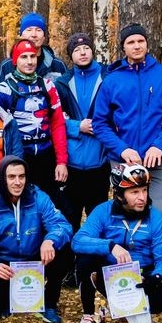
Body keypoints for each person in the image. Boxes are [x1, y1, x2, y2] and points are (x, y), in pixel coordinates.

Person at [92, 23, 162, 221]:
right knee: (127, 213)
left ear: (147, 44)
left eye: (141, 41)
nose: (137, 46)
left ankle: (161, 251)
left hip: (158, 159)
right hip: (123, 160)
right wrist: (122, 149)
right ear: (123, 47)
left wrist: (159, 146)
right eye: (131, 42)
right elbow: (100, 123)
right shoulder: (112, 80)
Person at [69, 164, 162, 323]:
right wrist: (110, 246)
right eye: (134, 192)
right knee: (85, 260)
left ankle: (122, 306)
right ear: (118, 194)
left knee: (159, 302)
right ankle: (88, 315)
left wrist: (157, 277)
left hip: (142, 275)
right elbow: (78, 241)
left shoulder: (156, 218)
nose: (142, 198)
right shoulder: (103, 211)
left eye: (144, 191)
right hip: (110, 272)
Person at [0, 155, 74, 323]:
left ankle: (49, 304)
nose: (17, 182)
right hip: (6, 264)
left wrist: (49, 240)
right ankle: (1, 302)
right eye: (11, 177)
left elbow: (62, 225)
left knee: (63, 249)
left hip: (36, 258)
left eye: (21, 176)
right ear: (2, 179)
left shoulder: (38, 198)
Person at [0, 39, 69, 207]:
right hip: (19, 156)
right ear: (15, 61)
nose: (29, 61)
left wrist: (62, 162)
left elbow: (57, 125)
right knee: (20, 205)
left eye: (33, 56)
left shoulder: (48, 86)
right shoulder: (4, 90)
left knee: (53, 206)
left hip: (46, 155)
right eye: (23, 57)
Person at [54, 32, 109, 224]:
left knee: (98, 219)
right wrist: (78, 126)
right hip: (72, 163)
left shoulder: (107, 76)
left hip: (100, 161)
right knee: (69, 219)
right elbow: (54, 119)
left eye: (86, 48)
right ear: (71, 55)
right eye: (77, 50)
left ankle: (96, 254)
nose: (83, 53)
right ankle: (68, 255)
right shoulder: (62, 83)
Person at [0, 12, 67, 82]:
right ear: (21, 36)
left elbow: (68, 93)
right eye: (29, 30)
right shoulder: (7, 66)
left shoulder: (58, 65)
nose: (34, 34)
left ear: (44, 37)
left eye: (38, 30)